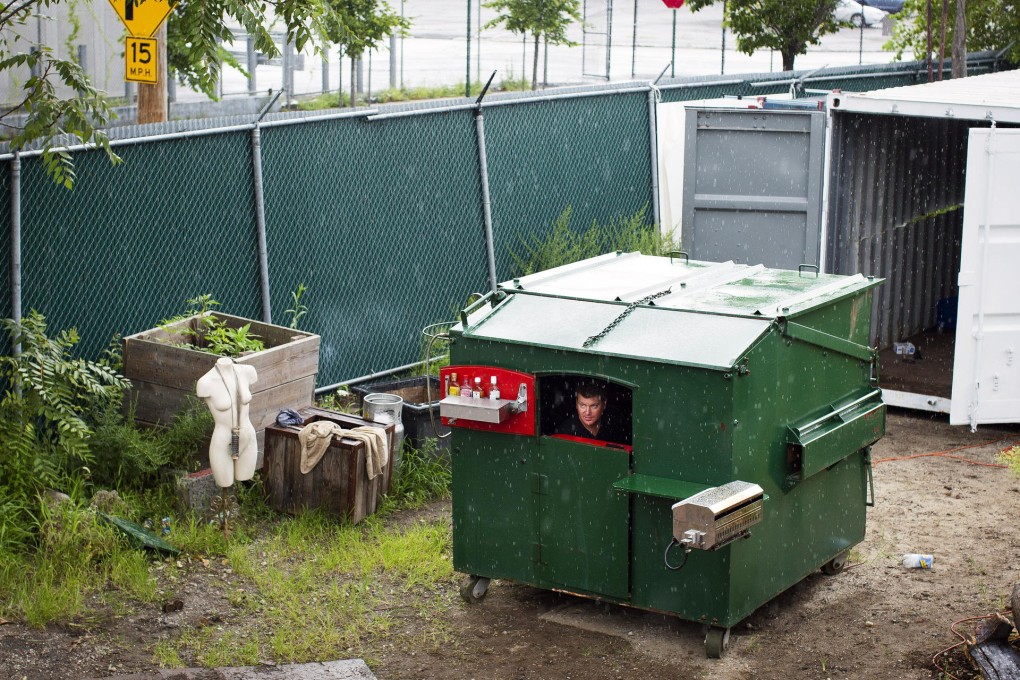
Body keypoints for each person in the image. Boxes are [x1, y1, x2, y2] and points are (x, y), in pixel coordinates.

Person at [196, 357, 259, 488]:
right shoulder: (205, 382)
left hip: (248, 436)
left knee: (245, 476)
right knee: (225, 482)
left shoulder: (247, 371)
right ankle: (224, 507)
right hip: (223, 441)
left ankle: (232, 507)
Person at [555, 382, 625, 444]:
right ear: (576, 404)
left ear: (604, 404)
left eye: (594, 406)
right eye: (583, 405)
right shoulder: (565, 432)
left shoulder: (615, 419)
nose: (587, 412)